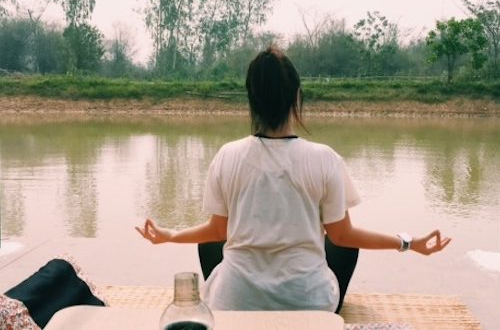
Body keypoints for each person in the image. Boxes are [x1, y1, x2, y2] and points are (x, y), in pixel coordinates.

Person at [136, 46, 451, 313]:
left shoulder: (227, 156)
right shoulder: (324, 158)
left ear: (251, 98)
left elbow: (217, 231)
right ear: (297, 96)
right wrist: (408, 243)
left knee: (213, 242)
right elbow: (343, 237)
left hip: (233, 302)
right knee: (340, 237)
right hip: (308, 301)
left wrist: (170, 235)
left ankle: (240, 292)